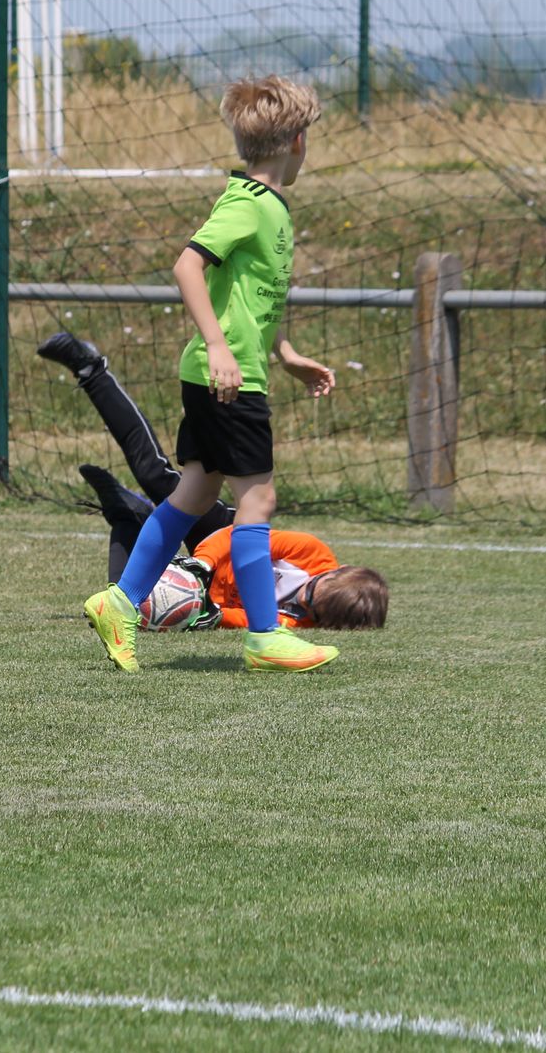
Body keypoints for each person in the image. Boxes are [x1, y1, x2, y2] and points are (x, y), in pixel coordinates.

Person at [80, 75, 337, 673]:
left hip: (221, 374)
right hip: (227, 379)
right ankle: (265, 637)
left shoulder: (267, 205)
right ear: (297, 142)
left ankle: (120, 602)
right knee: (259, 499)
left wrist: (286, 353)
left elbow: (251, 297)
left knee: (195, 494)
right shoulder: (249, 204)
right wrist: (220, 347)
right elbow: (187, 265)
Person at [40, 335, 388, 633]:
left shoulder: (303, 619)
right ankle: (92, 370)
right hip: (221, 537)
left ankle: (126, 515)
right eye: (312, 590)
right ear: (337, 570)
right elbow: (237, 536)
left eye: (312, 607)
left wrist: (211, 613)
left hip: (205, 587)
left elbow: (244, 617)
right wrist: (203, 564)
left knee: (130, 611)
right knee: (154, 473)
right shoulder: (314, 554)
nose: (302, 598)